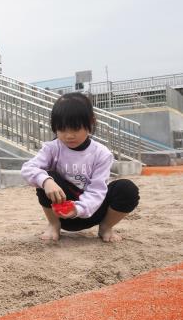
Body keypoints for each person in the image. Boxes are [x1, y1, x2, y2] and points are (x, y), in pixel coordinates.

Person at [21, 92, 140, 242]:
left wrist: (78, 209)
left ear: (90, 123)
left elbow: (97, 191)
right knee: (46, 176)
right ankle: (53, 225)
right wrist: (46, 181)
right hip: (60, 210)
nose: (69, 136)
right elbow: (27, 169)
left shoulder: (101, 153)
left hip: (93, 211)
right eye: (62, 129)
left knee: (127, 188)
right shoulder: (52, 148)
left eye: (75, 129)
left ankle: (106, 227)